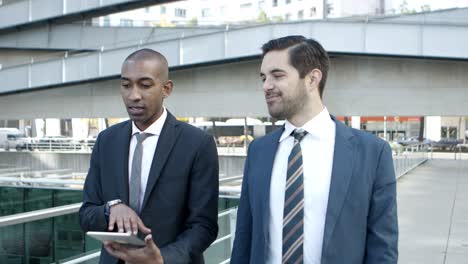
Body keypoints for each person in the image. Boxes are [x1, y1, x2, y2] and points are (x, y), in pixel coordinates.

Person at [231, 36, 398, 263]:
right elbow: (244, 237)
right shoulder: (258, 151)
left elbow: (383, 247)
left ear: (312, 78)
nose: (266, 86)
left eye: (277, 75)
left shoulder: (372, 153)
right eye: (263, 77)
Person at [79, 48, 219, 264]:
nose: (133, 95)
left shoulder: (197, 143)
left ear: (166, 88)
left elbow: (204, 226)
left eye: (145, 85)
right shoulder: (106, 141)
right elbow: (87, 214)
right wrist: (111, 209)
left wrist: (161, 259)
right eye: (126, 85)